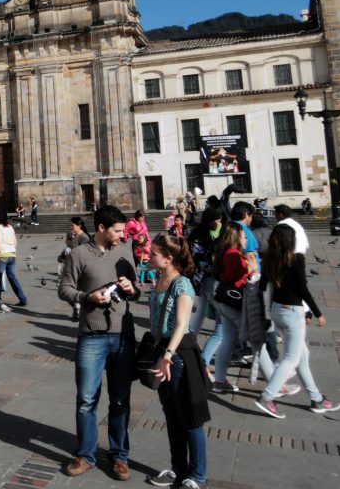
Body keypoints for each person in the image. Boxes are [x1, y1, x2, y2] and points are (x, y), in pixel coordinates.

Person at [58, 205, 140, 481]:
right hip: (91, 335)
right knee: (86, 399)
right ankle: (85, 454)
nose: (123, 235)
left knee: (120, 399)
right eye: (118, 230)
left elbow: (137, 287)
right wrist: (88, 297)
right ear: (102, 228)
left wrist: (132, 288)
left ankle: (119, 455)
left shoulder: (125, 251)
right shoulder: (79, 254)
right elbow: (64, 289)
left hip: (123, 336)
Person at [254, 224, 340, 418]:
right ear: (290, 241)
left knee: (302, 356)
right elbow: (302, 289)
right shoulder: (296, 259)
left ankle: (316, 398)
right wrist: (317, 313)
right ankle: (266, 397)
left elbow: (262, 285)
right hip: (292, 312)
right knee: (291, 358)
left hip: (277, 310)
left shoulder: (269, 259)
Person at [144, 235, 208, 489]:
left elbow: (182, 325)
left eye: (154, 253)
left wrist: (168, 357)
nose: (149, 256)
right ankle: (178, 468)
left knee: (189, 417)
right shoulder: (159, 279)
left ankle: (198, 476)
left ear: (168, 257)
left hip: (179, 355)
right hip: (163, 351)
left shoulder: (182, 284)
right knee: (171, 415)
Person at [209, 221, 273, 394]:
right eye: (244, 236)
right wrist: (251, 270)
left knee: (228, 340)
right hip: (233, 303)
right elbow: (234, 279)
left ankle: (220, 381)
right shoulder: (233, 254)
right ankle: (276, 384)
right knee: (256, 340)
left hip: (225, 302)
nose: (246, 239)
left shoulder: (228, 253)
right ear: (236, 237)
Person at [187, 208, 224, 369]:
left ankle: (187, 343)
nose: (219, 222)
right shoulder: (202, 240)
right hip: (211, 281)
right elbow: (204, 262)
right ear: (213, 221)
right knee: (222, 328)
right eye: (217, 220)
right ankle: (202, 362)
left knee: (200, 311)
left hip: (202, 281)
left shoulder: (197, 235)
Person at [0, 210, 27, 308]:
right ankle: (23, 299)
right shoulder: (10, 227)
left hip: (2, 255)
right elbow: (15, 242)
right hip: (12, 255)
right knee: (12, 277)